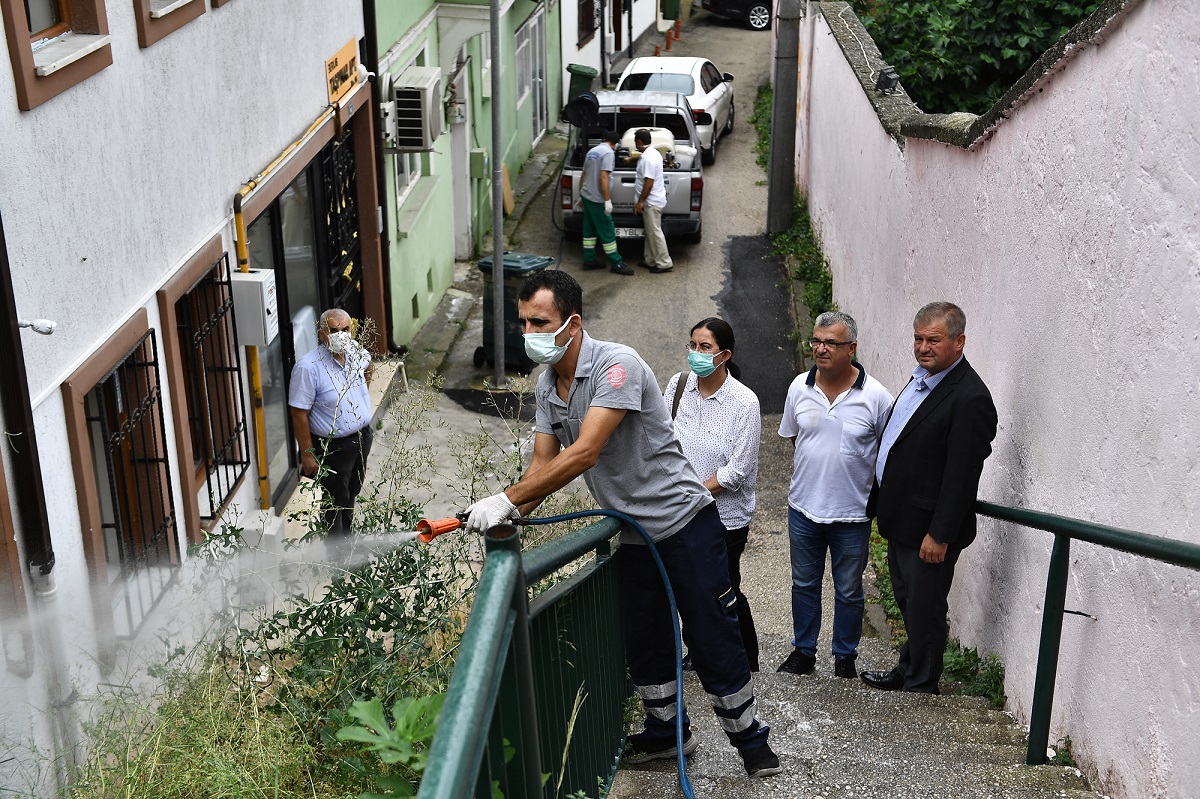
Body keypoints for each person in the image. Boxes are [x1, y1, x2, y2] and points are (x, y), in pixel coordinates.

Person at [464, 270, 781, 778]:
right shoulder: (549, 386)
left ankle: (750, 740)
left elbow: (586, 451)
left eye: (538, 321)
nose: (528, 333)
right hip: (633, 533)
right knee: (646, 639)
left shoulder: (617, 366)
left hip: (684, 522)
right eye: (523, 322)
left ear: (572, 322)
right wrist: (505, 510)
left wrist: (505, 498)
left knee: (710, 633)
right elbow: (541, 466)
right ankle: (666, 732)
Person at [860, 302, 998, 694]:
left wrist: (940, 534)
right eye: (918, 339)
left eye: (933, 340)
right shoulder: (923, 377)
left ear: (959, 342)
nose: (923, 347)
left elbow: (962, 475)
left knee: (925, 607)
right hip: (902, 518)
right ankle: (909, 669)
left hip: (928, 529)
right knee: (908, 601)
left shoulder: (969, 398)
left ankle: (921, 685)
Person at [775, 312, 893, 679]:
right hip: (804, 508)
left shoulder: (876, 398)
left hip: (852, 514)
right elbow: (796, 438)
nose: (820, 349)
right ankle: (803, 652)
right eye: (816, 341)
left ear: (852, 348)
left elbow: (887, 452)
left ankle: (845, 657)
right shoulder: (799, 387)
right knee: (804, 585)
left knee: (849, 589)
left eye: (831, 343)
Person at [664, 318, 761, 670]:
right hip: (680, 512)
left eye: (705, 347)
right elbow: (662, 438)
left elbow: (737, 471)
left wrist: (692, 491)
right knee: (689, 587)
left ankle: (746, 657)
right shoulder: (679, 385)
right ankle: (701, 652)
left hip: (725, 517)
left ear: (724, 355)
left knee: (722, 588)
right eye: (693, 346)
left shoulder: (744, 402)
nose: (696, 354)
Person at [288, 308, 374, 538]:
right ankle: (336, 551)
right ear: (322, 334)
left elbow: (368, 365)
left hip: (362, 437)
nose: (341, 335)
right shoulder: (308, 368)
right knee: (335, 499)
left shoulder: (355, 352)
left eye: (345, 330)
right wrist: (307, 454)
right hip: (333, 447)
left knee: (352, 490)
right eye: (334, 330)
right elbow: (298, 413)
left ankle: (346, 535)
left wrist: (360, 399)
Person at [579, 130, 634, 276]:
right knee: (607, 230)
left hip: (587, 195)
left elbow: (584, 174)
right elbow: (603, 177)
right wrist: (607, 200)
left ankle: (589, 260)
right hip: (597, 199)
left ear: (605, 139)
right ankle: (616, 263)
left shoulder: (592, 151)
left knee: (589, 230)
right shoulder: (608, 153)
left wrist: (581, 194)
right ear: (615, 145)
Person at [632, 128, 673, 274]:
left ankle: (664, 262)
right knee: (650, 231)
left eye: (636, 142)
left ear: (640, 142)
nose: (635, 146)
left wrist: (640, 202)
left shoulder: (648, 158)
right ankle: (650, 259)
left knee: (655, 232)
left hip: (651, 202)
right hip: (655, 200)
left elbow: (649, 182)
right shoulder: (653, 153)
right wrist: (633, 158)